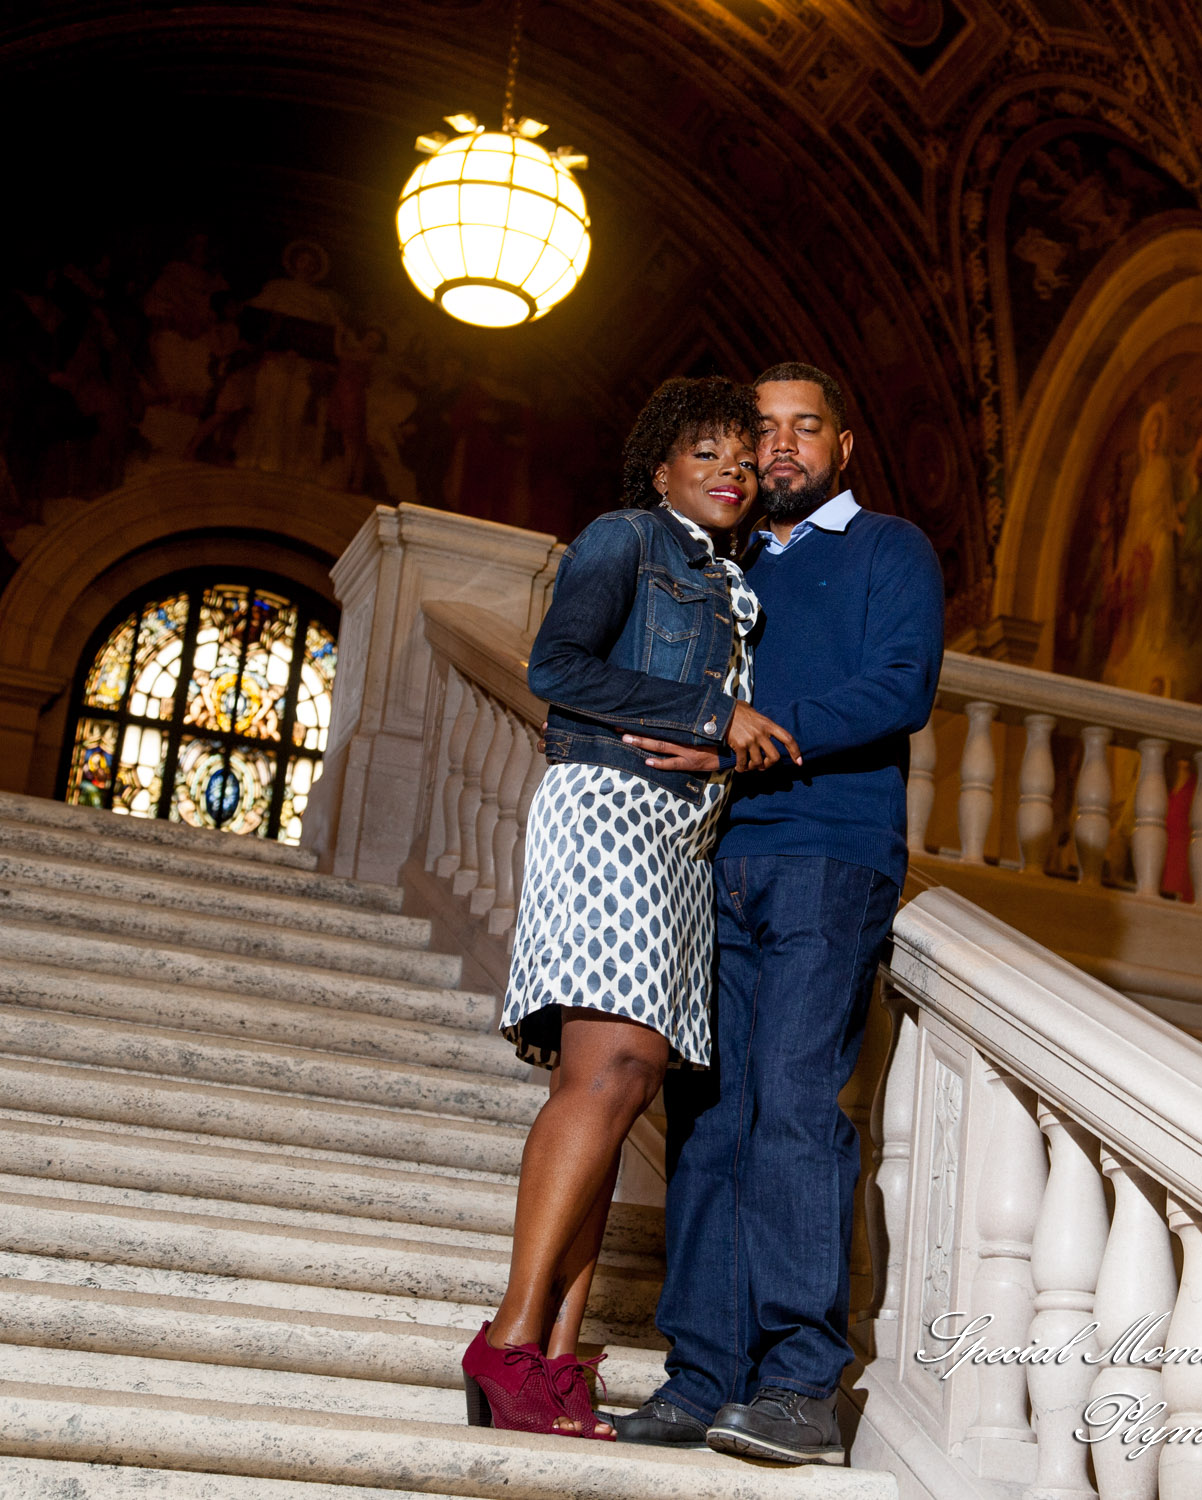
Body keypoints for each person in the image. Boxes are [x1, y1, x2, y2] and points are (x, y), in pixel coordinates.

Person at [615, 362, 946, 1463]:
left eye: (808, 427)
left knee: (797, 1109)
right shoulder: (724, 562)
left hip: (827, 856)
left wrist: (745, 729)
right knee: (708, 1123)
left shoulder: (888, 548)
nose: (784, 445)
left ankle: (801, 1381)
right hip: (714, 859)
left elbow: (899, 688)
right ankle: (700, 1373)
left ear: (842, 448)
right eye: (764, 429)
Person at [461, 376, 802, 1441]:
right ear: (660, 469)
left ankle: (559, 1357)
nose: (731, 472)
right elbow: (556, 667)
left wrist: (717, 735)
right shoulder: (624, 539)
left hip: (679, 835)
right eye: (705, 454)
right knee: (603, 1069)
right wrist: (714, 709)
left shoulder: (729, 576)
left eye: (743, 460)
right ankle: (509, 1340)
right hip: (607, 806)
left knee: (628, 1080)